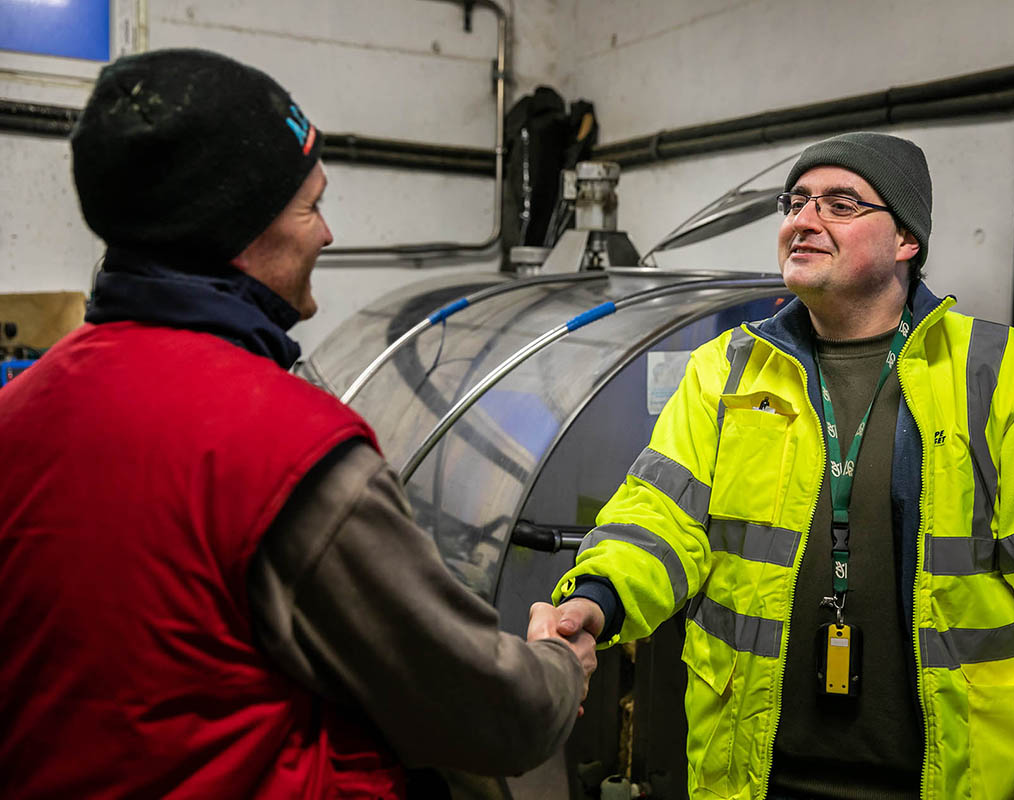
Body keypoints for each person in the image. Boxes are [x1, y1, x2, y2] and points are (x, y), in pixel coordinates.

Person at [0, 48, 595, 799]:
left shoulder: (20, 409)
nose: (328, 235)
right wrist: (552, 668)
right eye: (311, 207)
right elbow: (487, 715)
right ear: (237, 235)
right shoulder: (288, 449)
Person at [532, 132, 1014, 799]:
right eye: (796, 202)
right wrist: (593, 602)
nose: (803, 220)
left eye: (840, 204)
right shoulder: (725, 373)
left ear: (906, 240)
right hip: (755, 775)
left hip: (956, 779)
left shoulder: (1007, 377)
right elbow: (657, 521)